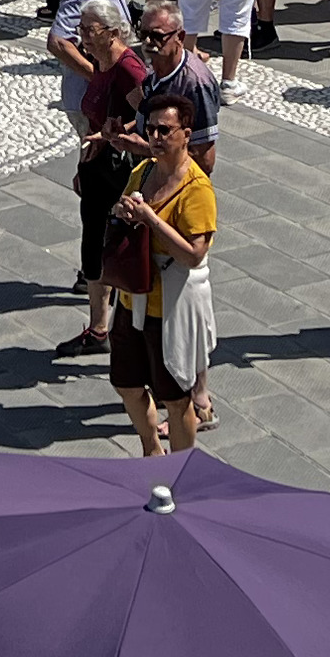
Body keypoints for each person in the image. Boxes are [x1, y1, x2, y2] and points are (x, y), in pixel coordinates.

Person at [107, 93, 218, 456]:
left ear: (186, 134)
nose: (155, 136)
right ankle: (151, 448)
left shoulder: (196, 189)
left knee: (175, 397)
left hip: (169, 306)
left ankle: (182, 466)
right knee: (125, 383)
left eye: (164, 130)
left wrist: (150, 220)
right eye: (151, 128)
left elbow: (194, 254)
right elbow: (124, 206)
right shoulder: (143, 171)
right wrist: (124, 210)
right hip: (132, 296)